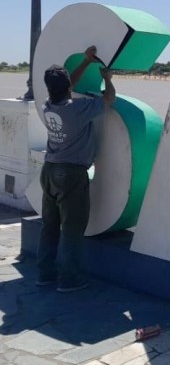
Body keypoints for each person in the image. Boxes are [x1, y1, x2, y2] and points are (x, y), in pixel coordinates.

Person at [36, 45, 116, 292]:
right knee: (71, 228)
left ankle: (45, 273)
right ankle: (69, 279)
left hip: (49, 171)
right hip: (71, 174)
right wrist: (107, 80)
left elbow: (67, 86)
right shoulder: (79, 109)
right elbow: (109, 99)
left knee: (49, 225)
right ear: (67, 86)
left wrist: (85, 61)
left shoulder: (48, 105)